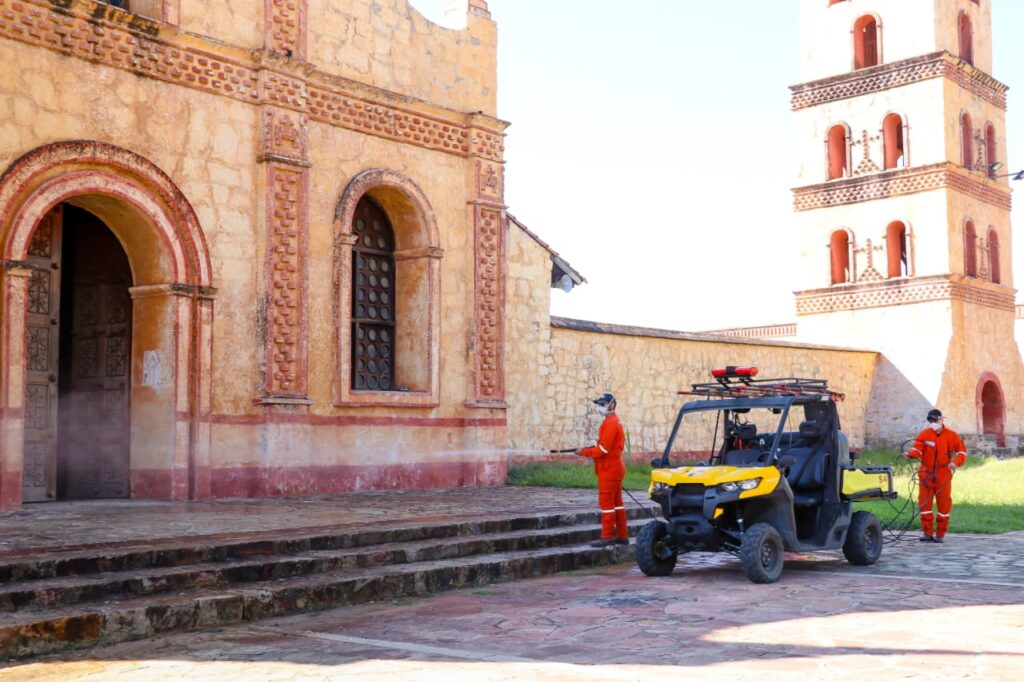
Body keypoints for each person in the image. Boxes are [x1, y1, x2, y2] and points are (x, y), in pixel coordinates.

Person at [904, 409, 968, 543]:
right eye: (930, 421)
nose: (932, 423)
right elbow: (917, 449)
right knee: (924, 504)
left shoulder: (952, 436)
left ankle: (940, 534)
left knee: (944, 506)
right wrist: (909, 454)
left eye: (934, 421)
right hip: (926, 474)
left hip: (943, 474)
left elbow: (962, 452)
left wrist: (956, 463)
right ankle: (927, 534)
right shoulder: (925, 434)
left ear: (941, 420)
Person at [576, 392, 628, 547]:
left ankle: (606, 536)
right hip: (615, 468)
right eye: (599, 404)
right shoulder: (613, 421)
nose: (600, 407)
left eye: (603, 404)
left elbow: (603, 450)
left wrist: (584, 452)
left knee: (606, 504)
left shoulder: (610, 423)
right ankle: (622, 535)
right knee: (617, 503)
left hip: (609, 469)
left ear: (612, 405)